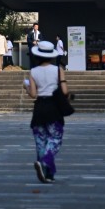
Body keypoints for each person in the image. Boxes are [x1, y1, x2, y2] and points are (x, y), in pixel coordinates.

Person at [24, 40, 69, 183]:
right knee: (55, 138)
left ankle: (47, 173)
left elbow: (32, 94)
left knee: (40, 142)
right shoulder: (58, 70)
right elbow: (65, 91)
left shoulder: (33, 72)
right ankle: (45, 164)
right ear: (51, 56)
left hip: (39, 108)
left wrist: (26, 87)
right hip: (53, 107)